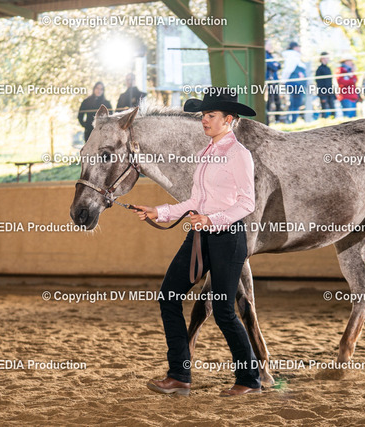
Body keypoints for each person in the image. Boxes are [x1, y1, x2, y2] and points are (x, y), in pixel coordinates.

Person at [134, 87, 261, 397]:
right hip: (200, 236)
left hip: (227, 238)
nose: (204, 120)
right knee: (169, 296)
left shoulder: (239, 155)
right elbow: (195, 200)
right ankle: (179, 376)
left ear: (229, 119)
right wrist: (159, 212)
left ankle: (249, 380)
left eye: (211, 115)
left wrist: (212, 220)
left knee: (223, 311)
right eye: (203, 115)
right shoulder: (207, 152)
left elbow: (247, 203)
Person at [281, 41, 307, 123]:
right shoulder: (292, 56)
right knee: (295, 102)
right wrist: (283, 80)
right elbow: (288, 70)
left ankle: (292, 120)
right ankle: (292, 120)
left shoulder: (294, 57)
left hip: (297, 83)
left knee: (295, 102)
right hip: (295, 83)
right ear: (295, 47)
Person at [265, 40, 283, 124]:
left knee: (277, 101)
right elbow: (273, 66)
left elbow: (278, 65)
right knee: (269, 102)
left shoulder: (271, 56)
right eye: (269, 44)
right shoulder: (265, 55)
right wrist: (274, 65)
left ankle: (277, 119)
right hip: (269, 82)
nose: (271, 46)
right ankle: (267, 121)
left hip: (274, 82)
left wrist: (275, 65)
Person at [315, 52, 336, 118]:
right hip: (323, 92)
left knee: (332, 108)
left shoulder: (328, 69)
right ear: (322, 58)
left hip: (330, 91)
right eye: (327, 57)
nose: (328, 59)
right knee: (324, 108)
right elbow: (319, 83)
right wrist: (322, 95)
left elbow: (330, 82)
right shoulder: (319, 69)